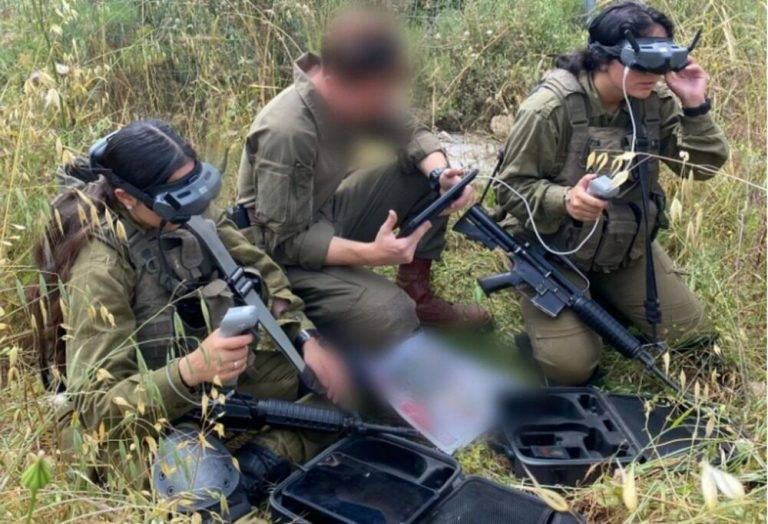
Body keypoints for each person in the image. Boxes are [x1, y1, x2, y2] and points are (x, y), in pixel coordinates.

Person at [31, 120, 345, 518]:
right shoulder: (101, 267)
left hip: (212, 382)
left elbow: (261, 271)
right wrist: (190, 370)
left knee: (346, 390)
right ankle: (248, 469)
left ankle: (257, 463)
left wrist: (305, 338)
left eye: (195, 187)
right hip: (145, 415)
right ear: (127, 197)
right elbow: (96, 408)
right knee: (209, 500)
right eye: (176, 197)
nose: (194, 204)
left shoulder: (188, 208)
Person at [495, 1, 729, 385]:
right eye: (640, 62)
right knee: (572, 367)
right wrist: (566, 201)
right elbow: (509, 190)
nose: (651, 76)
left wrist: (695, 106)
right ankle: (562, 326)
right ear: (602, 57)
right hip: (555, 252)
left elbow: (699, 169)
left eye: (661, 63)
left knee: (692, 336)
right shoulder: (550, 107)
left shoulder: (654, 102)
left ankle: (607, 301)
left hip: (624, 249)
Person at [233, 9, 491, 344]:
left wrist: (442, 176)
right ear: (339, 83)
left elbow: (410, 131)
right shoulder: (288, 132)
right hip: (280, 256)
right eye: (379, 95)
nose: (385, 103)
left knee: (424, 177)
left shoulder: (353, 88)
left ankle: (419, 295)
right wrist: (374, 254)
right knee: (393, 313)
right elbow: (287, 243)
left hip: (325, 211)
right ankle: (311, 324)